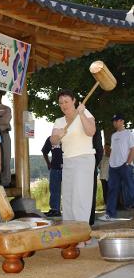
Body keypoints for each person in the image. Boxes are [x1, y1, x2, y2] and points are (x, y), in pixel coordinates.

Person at [50, 89, 96, 227]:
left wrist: (81, 114)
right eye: (61, 103)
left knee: (80, 198)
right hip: (68, 161)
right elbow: (53, 141)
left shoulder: (85, 113)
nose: (64, 105)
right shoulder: (59, 121)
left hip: (84, 159)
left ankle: (82, 234)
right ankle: (71, 235)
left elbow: (91, 132)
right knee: (68, 199)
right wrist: (58, 135)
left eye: (66, 101)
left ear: (74, 101)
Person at [98, 114, 134, 221]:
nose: (114, 123)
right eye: (113, 121)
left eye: (116, 121)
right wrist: (110, 164)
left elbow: (132, 149)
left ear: (122, 121)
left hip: (125, 166)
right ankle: (110, 214)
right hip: (113, 167)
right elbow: (113, 151)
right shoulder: (113, 136)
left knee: (130, 190)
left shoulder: (129, 134)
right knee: (112, 190)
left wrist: (128, 163)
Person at [41, 136, 62, 217]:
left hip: (68, 168)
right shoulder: (51, 138)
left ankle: (69, 209)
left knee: (69, 190)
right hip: (55, 168)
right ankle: (55, 210)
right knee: (54, 189)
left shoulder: (68, 137)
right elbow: (44, 151)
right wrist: (48, 163)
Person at [89, 128, 103, 226]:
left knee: (90, 193)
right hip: (89, 164)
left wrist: (94, 164)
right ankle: (89, 220)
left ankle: (89, 220)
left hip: (90, 164)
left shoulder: (95, 130)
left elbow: (99, 150)